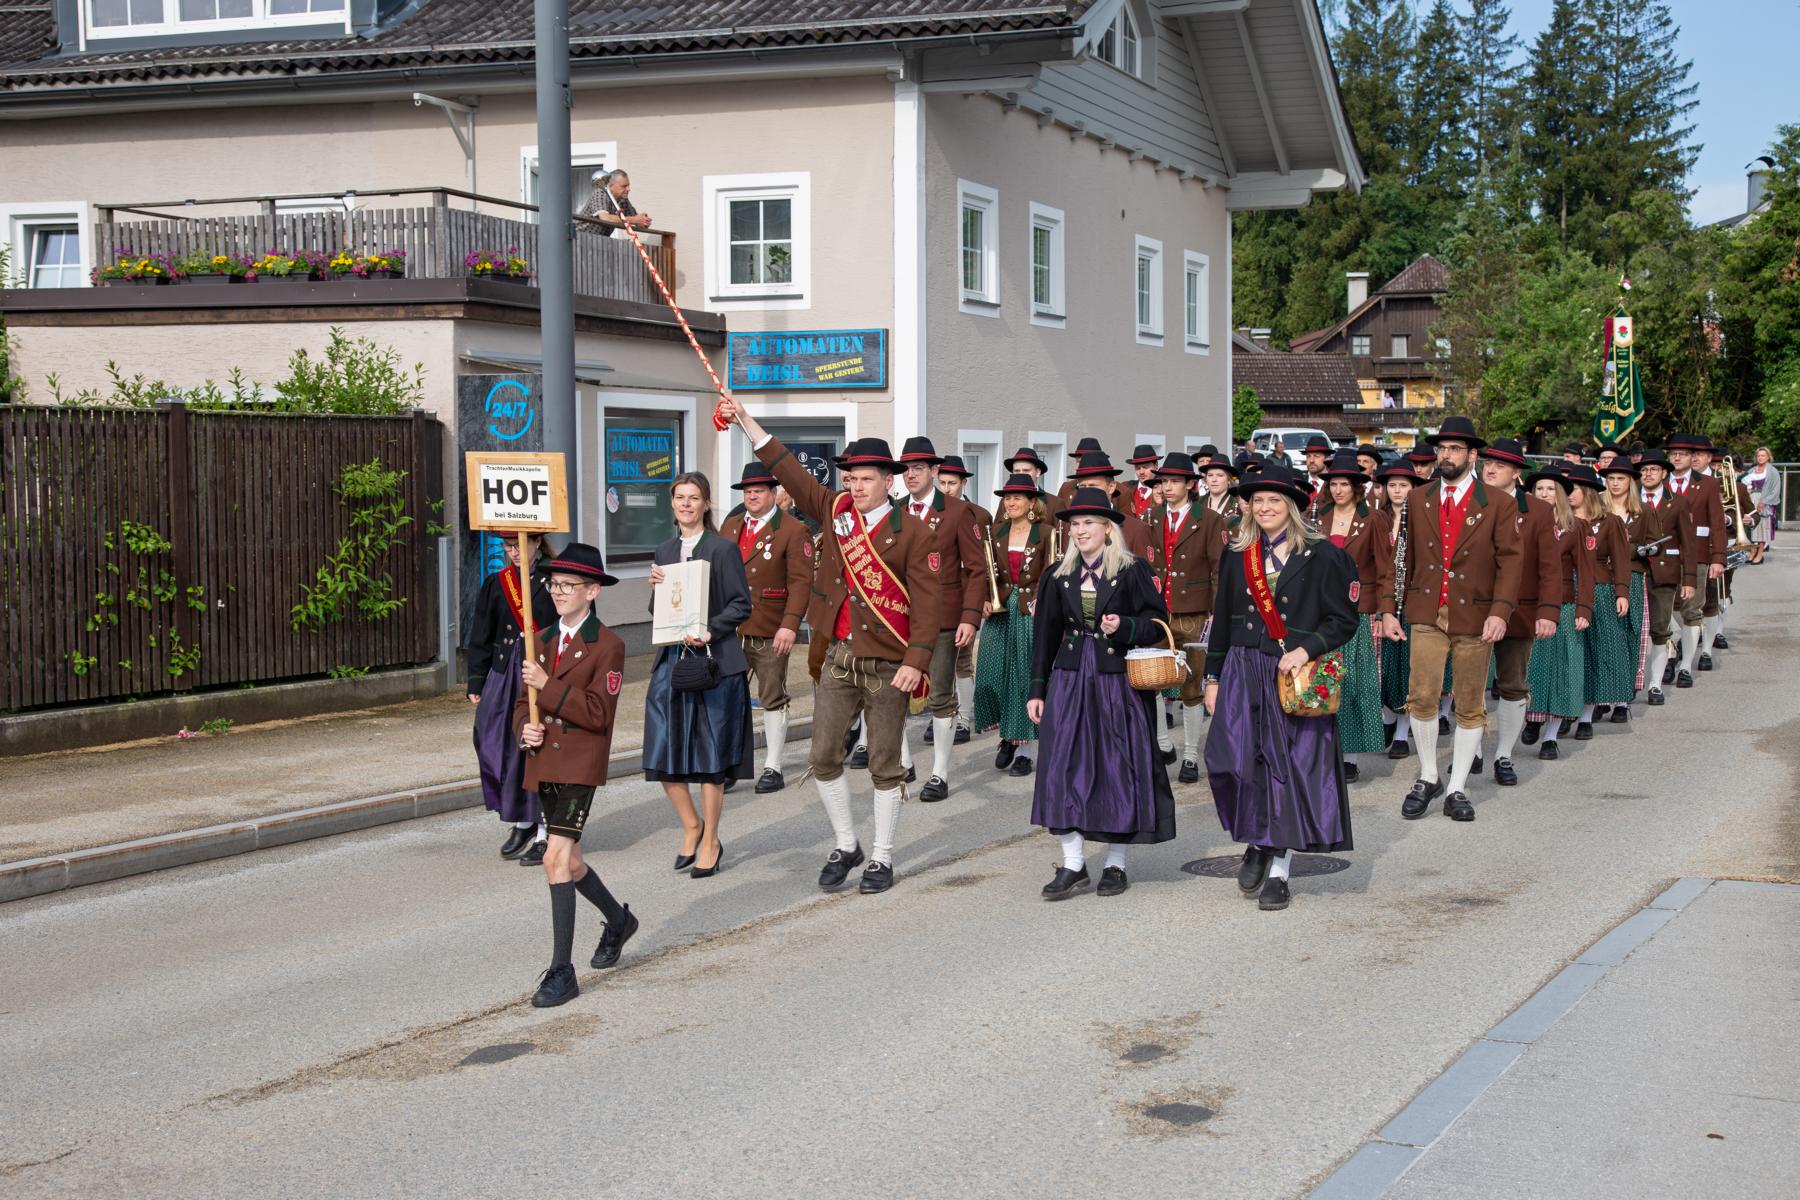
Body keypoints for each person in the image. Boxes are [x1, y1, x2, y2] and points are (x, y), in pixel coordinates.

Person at [723, 400, 939, 893]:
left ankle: (882, 857)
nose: (854, 487)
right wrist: (745, 421)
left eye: (865, 478)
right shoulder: (834, 512)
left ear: (890, 480)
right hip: (839, 657)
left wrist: (917, 659)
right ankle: (847, 844)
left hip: (889, 662)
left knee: (885, 762)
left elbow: (930, 604)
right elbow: (787, 469)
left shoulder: (915, 534)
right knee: (823, 757)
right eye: (850, 478)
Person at [1204, 461, 1358, 912]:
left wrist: (1306, 649)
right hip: (1242, 671)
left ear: (1291, 506)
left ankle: (1279, 869)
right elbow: (1222, 622)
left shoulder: (1324, 554)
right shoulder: (1238, 554)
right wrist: (1212, 677)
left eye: (1274, 500)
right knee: (1234, 761)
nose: (1266, 507)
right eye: (1258, 500)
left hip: (1291, 675)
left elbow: (1343, 620)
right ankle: (1257, 840)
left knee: (1285, 770)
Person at [1028, 487, 1175, 899]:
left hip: (1117, 680)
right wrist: (1037, 688)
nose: (1079, 531)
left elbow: (1157, 624)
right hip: (1071, 678)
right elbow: (1045, 636)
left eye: (1088, 523)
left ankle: (1115, 864)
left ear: (1108, 528)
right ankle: (1073, 863)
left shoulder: (1133, 570)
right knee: (1063, 765)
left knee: (1117, 766)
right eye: (1074, 524)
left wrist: (1124, 626)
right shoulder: (1057, 574)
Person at [1378, 416, 1521, 822]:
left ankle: (1457, 787)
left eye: (1455, 449)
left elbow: (1511, 562)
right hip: (1425, 612)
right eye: (1442, 448)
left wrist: (1500, 611)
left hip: (1476, 614)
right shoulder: (1419, 499)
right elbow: (1400, 558)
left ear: (1472, 455)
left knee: (1470, 703)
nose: (1446, 455)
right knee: (1421, 696)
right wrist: (1389, 608)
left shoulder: (1498, 503)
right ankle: (1427, 776)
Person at [513, 543, 632, 1008]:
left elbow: (600, 713)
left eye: (569, 586)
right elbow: (524, 702)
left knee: (554, 859)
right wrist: (525, 728)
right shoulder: (538, 640)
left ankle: (562, 972)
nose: (559, 592)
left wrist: (549, 686)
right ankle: (618, 921)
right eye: (554, 584)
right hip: (545, 763)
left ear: (592, 591)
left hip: (581, 761)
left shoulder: (610, 645)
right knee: (573, 862)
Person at [643, 473, 753, 878]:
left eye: (694, 498)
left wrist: (711, 628)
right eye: (679, 497)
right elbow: (662, 612)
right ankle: (691, 825)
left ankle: (711, 840)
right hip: (671, 660)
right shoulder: (665, 548)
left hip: (713, 663)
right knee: (660, 752)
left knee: (710, 757)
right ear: (672, 504)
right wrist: (656, 586)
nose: (686, 504)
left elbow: (742, 606)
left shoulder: (723, 549)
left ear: (706, 504)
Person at [895, 437, 986, 801]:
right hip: (900, 616)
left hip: (944, 617)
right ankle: (904, 761)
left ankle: (939, 773)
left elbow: (977, 569)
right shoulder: (895, 509)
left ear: (935, 471)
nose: (911, 474)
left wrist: (969, 616)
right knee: (894, 693)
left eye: (919, 468)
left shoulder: (955, 512)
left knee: (941, 696)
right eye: (906, 468)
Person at [718, 461, 813, 794]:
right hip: (729, 628)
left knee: (772, 696)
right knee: (728, 698)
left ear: (774, 494)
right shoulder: (730, 526)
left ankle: (773, 765)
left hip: (771, 626)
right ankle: (729, 764)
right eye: (747, 491)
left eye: (759, 490)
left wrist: (790, 624)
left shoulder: (791, 529)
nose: (752, 496)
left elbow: (801, 582)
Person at [465, 531, 557, 863]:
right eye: (508, 547)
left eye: (520, 545)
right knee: (497, 744)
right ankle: (522, 818)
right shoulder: (498, 582)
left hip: (542, 672)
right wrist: (476, 680)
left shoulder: (555, 578)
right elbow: (482, 633)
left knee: (538, 747)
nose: (514, 552)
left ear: (537, 543)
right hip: (504, 675)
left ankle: (546, 828)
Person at [1477, 438, 1561, 786]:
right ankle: (1473, 752)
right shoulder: (1470, 503)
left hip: (1520, 610)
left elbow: (1550, 566)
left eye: (1499, 465)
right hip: (1474, 608)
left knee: (1512, 684)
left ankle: (1503, 756)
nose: (1490, 469)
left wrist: (1548, 610)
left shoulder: (1538, 511)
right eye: (1487, 463)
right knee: (1471, 684)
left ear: (1516, 473)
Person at [1144, 451, 1225, 784]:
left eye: (1175, 481)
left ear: (1192, 484)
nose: (1168, 486)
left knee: (1192, 685)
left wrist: (1216, 613)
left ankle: (1191, 754)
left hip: (1194, 610)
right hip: (1158, 611)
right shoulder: (1151, 517)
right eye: (1164, 481)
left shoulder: (1209, 519)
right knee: (1152, 678)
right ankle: (1164, 744)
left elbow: (1219, 568)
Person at [1318, 451, 1392, 783]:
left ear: (1356, 487)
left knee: (1353, 683)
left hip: (1357, 611)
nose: (1337, 490)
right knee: (1322, 682)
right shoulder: (1318, 517)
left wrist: (1383, 610)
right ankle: (1323, 750)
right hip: (1319, 612)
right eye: (1333, 484)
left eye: (1344, 484)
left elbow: (1385, 568)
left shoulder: (1373, 519)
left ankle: (1350, 756)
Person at [977, 474, 1052, 777]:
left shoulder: (1046, 532)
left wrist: (1044, 603)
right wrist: (983, 598)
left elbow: (1052, 571)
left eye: (1018, 497)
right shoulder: (995, 532)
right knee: (990, 675)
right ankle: (1007, 735)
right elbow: (983, 573)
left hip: (1029, 611)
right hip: (1000, 610)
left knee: (1023, 676)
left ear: (1032, 502)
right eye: (1007, 498)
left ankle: (1024, 750)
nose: (1010, 502)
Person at [1520, 467, 1593, 757]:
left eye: (1551, 489)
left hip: (1564, 604)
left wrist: (1584, 608)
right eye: (1539, 489)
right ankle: (1533, 718)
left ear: (1560, 494)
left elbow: (1586, 572)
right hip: (1528, 604)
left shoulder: (1576, 526)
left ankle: (1551, 736)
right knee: (1531, 667)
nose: (1545, 494)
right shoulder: (1521, 521)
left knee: (1564, 669)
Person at [1572, 463, 1636, 730]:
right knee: (1572, 655)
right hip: (1567, 591)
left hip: (1600, 589)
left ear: (1587, 491)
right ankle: (1563, 713)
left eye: (1572, 488)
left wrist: (1622, 592)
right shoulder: (1558, 520)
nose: (1566, 494)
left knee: (1596, 654)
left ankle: (1586, 716)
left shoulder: (1610, 522)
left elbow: (1621, 560)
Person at [1636, 449, 1700, 700]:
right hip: (1633, 570)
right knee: (1632, 628)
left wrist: (1690, 580)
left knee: (1660, 629)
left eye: (1653, 469)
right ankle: (1629, 684)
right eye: (1643, 469)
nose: (1648, 473)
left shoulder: (1679, 501)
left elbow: (1688, 543)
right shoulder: (1630, 498)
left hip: (1664, 573)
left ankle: (1655, 684)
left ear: (1664, 473)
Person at [937, 455, 989, 742]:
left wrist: (979, 600)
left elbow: (983, 565)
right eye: (942, 482)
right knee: (936, 661)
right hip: (937, 597)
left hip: (965, 594)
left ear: (964, 483)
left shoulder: (978, 515)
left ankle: (964, 719)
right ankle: (942, 713)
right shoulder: (930, 511)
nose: (947, 489)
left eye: (952, 483)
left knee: (961, 661)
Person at [1665, 436, 1726, 680]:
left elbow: (1718, 523)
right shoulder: (1660, 481)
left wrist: (1718, 557)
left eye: (1682, 453)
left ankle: (1685, 667)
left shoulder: (1708, 484)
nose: (1677, 457)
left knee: (1692, 607)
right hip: (1664, 556)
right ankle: (1679, 643)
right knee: (1668, 608)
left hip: (1698, 554)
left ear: (1693, 458)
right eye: (1673, 453)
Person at [1373, 462, 1418, 757]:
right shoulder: (1377, 518)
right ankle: (1388, 719)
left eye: (1403, 485)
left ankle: (1402, 731)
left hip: (1411, 602)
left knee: (1408, 669)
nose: (1398, 490)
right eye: (1393, 485)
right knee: (1383, 669)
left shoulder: (1420, 518)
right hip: (1381, 601)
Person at [580, 168, 652, 235]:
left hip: (597, 241)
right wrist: (635, 220)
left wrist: (644, 221)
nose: (628, 189)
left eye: (628, 186)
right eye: (624, 186)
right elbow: (605, 218)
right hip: (578, 238)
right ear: (611, 185)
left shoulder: (623, 200)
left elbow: (635, 219)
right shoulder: (601, 193)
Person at [1743, 446, 1779, 563]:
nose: (1760, 458)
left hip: (1764, 501)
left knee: (1762, 526)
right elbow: (1745, 484)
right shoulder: (1752, 471)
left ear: (1768, 457)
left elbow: (1775, 489)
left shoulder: (1772, 472)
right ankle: (1752, 551)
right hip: (1752, 499)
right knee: (1752, 526)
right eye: (1758, 456)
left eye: (1763, 455)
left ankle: (1760, 554)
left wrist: (1764, 501)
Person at [1127, 444, 1163, 518]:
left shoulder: (1164, 490)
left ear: (1156, 465)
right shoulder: (1126, 488)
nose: (1141, 472)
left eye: (1145, 467)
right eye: (1137, 468)